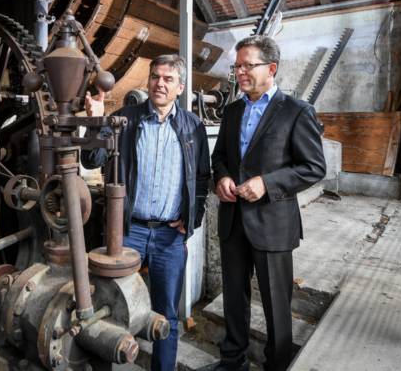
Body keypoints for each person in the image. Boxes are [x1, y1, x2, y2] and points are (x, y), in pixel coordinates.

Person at [82, 54, 211, 371]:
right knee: (111, 305)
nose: (160, 84)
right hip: (129, 231)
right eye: (155, 77)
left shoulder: (192, 127)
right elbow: (92, 159)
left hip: (170, 235)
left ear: (180, 87)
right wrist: (95, 122)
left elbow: (202, 177)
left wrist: (191, 219)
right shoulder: (126, 118)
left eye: (168, 79)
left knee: (167, 313)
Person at [211, 36, 325, 371]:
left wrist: (268, 183)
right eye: (237, 66)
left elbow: (314, 167)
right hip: (233, 219)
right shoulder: (232, 111)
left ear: (271, 68)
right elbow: (220, 157)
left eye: (247, 65)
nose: (240, 72)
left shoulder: (295, 111)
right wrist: (222, 178)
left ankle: (276, 363)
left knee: (276, 302)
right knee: (234, 296)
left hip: (273, 223)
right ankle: (232, 360)